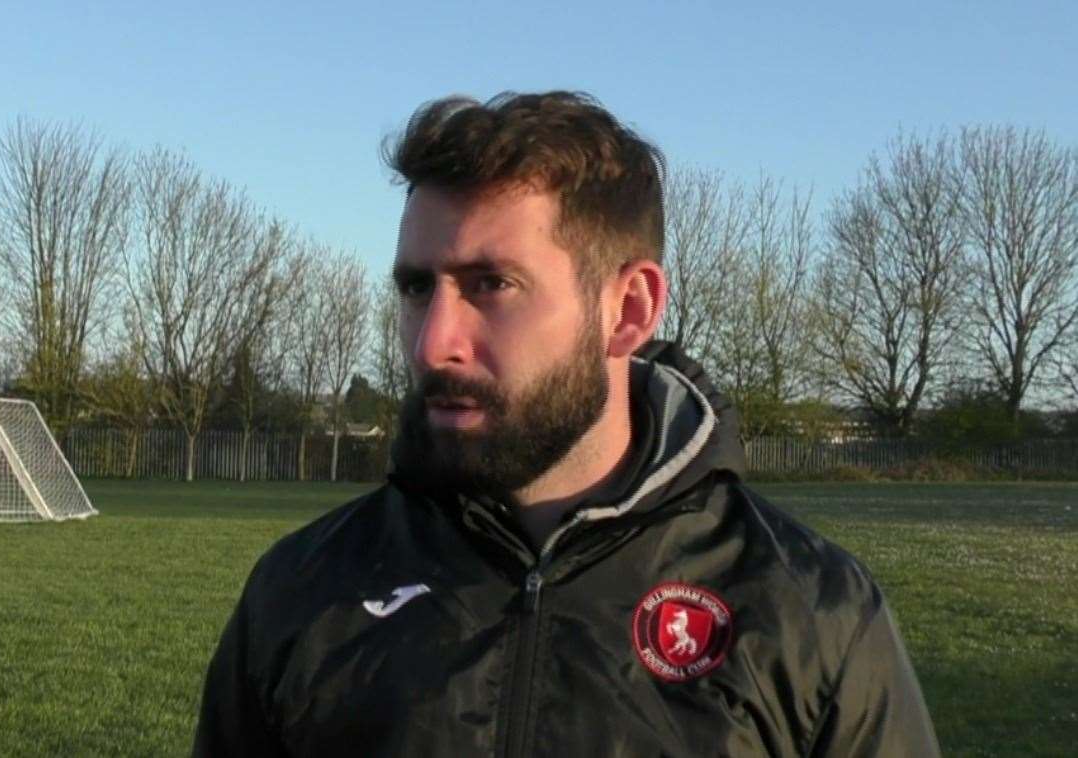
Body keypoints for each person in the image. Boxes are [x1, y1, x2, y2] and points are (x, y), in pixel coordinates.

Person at [193, 91, 940, 757]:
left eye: (492, 284)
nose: (432, 343)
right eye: (418, 288)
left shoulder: (809, 612)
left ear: (630, 310)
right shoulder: (302, 589)